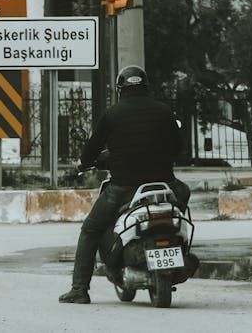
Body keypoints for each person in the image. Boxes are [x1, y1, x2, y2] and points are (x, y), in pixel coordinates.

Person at [58, 65, 190, 304]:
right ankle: (182, 247)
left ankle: (79, 289)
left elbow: (91, 151)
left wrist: (82, 164)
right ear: (146, 87)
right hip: (165, 183)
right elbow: (181, 149)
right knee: (183, 200)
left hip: (123, 187)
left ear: (121, 90)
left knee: (91, 230)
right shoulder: (164, 111)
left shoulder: (112, 114)